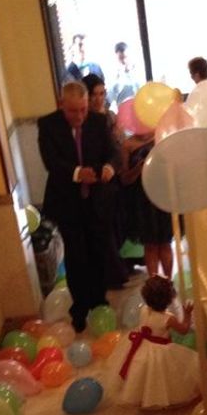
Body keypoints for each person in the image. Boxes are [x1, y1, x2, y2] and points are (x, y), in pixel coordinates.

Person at [37, 81, 117, 333]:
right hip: (67, 202)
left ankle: (99, 300)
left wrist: (109, 167)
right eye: (74, 111)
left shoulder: (97, 121)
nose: (80, 116)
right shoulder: (48, 125)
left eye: (83, 109)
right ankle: (80, 307)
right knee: (76, 256)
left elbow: (112, 153)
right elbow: (51, 162)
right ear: (62, 106)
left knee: (98, 251)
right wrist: (76, 173)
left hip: (97, 201)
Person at [103, 275, 201, 409]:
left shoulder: (143, 310)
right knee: (162, 374)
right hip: (159, 350)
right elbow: (184, 330)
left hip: (141, 346)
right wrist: (188, 314)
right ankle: (160, 397)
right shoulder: (168, 318)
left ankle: (142, 396)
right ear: (169, 299)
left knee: (140, 374)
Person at [82, 73, 130, 287]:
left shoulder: (109, 116)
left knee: (118, 222)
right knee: (103, 229)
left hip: (116, 176)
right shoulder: (83, 121)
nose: (99, 98)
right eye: (94, 94)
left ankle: (121, 262)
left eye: (102, 93)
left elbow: (117, 147)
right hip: (95, 183)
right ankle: (111, 272)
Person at [119, 131, 173, 278]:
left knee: (165, 242)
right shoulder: (127, 145)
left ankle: (168, 283)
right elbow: (124, 179)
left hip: (164, 195)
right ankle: (154, 284)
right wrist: (138, 169)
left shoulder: (163, 135)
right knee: (150, 245)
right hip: (142, 201)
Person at [108, 41, 142, 110]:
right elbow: (109, 98)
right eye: (121, 59)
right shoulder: (113, 77)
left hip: (140, 111)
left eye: (125, 57)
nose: (124, 62)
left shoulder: (139, 72)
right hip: (124, 113)